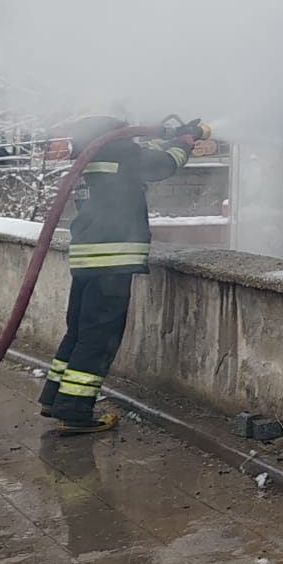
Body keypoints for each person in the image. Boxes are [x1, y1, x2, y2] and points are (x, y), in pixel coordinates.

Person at [41, 114, 210, 435]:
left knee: (78, 333)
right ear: (115, 135)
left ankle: (55, 398)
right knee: (98, 339)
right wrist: (184, 143)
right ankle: (75, 412)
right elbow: (162, 165)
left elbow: (142, 159)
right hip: (112, 261)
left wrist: (166, 140)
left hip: (87, 257)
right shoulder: (120, 152)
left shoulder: (91, 156)